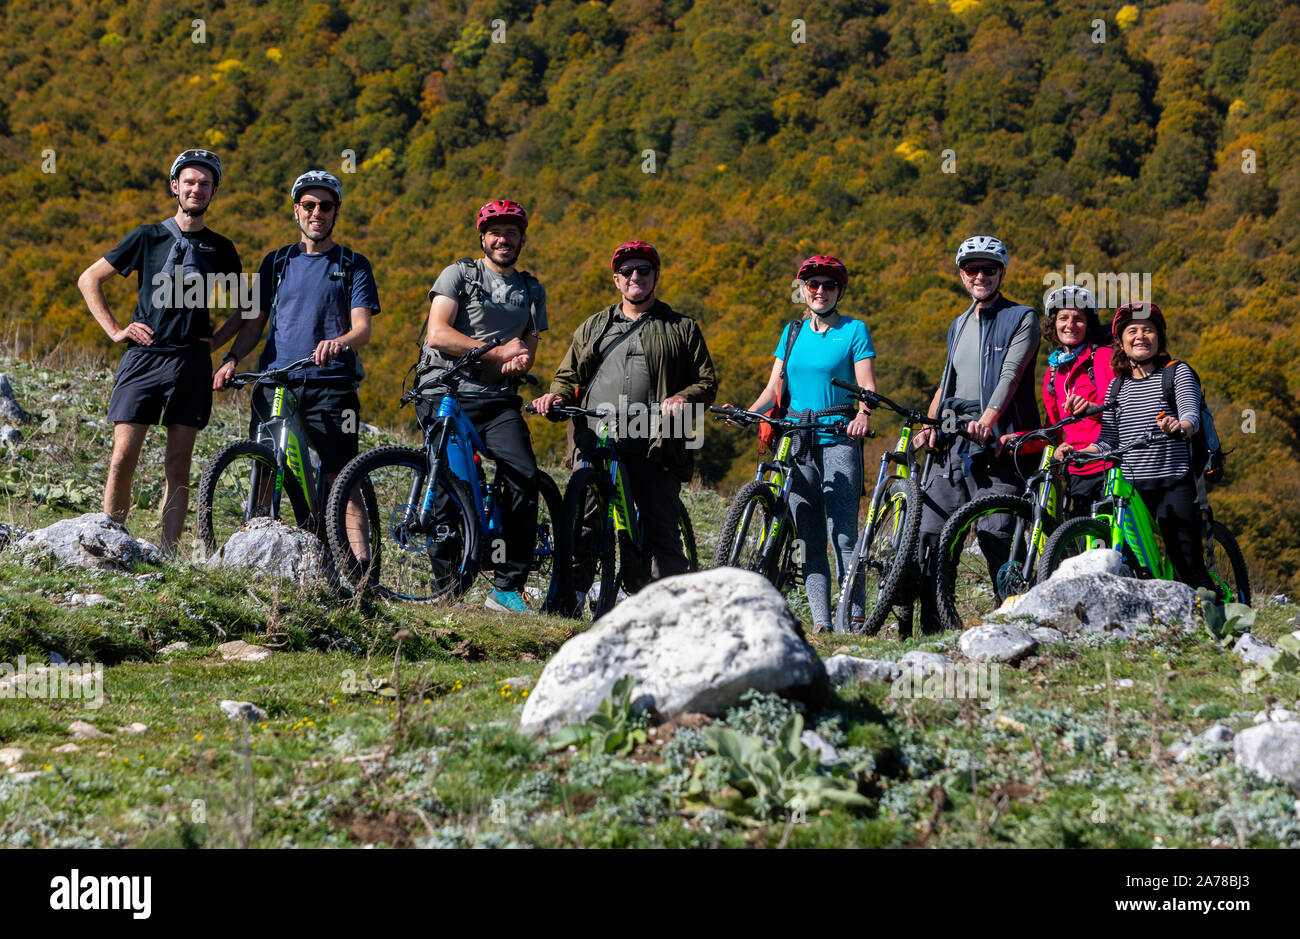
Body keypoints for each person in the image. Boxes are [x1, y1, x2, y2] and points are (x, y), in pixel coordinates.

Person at [532, 241, 718, 603]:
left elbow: (707, 383)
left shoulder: (682, 327)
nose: (636, 277)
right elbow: (568, 375)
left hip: (658, 440)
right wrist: (554, 396)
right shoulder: (594, 326)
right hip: (597, 434)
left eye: (644, 270)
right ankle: (569, 598)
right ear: (617, 280)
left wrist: (684, 398)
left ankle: (670, 612)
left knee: (661, 530)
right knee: (584, 520)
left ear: (655, 277)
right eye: (628, 272)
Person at [77, 149, 241, 554]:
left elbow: (248, 309)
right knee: (121, 459)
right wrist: (115, 330)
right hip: (143, 360)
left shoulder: (221, 248)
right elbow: (89, 279)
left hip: (191, 364)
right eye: (189, 182)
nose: (196, 189)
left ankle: (168, 554)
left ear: (213, 191)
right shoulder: (147, 236)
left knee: (178, 465)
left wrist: (217, 343)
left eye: (204, 184)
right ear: (175, 186)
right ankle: (110, 543)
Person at [210, 170, 380, 547]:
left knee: (342, 478)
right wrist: (232, 357)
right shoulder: (277, 261)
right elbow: (254, 323)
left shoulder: (353, 264)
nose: (316, 212)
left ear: (336, 213)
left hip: (333, 385)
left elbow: (362, 329)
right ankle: (256, 552)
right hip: (276, 382)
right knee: (267, 465)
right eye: (309, 205)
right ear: (296, 211)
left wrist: (339, 341)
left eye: (325, 206)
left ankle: (361, 570)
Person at [418, 200, 548, 613]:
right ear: (482, 237)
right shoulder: (460, 274)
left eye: (512, 232)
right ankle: (446, 591)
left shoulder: (530, 289)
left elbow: (528, 343)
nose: (503, 239)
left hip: (498, 400)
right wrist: (495, 352)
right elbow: (438, 334)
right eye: (495, 231)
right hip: (445, 392)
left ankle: (506, 589)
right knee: (449, 488)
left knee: (524, 476)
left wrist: (522, 359)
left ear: (522, 239)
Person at [910, 235, 1041, 632]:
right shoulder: (958, 323)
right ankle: (934, 629)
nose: (980, 275)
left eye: (989, 269)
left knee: (996, 533)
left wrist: (988, 418)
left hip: (999, 445)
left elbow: (1010, 375)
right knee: (931, 535)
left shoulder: (1022, 317)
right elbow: (945, 383)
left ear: (1001, 272)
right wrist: (930, 428)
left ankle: (1014, 625)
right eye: (972, 269)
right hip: (952, 443)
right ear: (962, 276)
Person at [739, 255, 874, 633]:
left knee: (844, 534)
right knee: (810, 536)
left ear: (839, 291)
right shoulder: (792, 332)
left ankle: (855, 619)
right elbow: (773, 388)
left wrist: (863, 414)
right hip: (797, 440)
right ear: (803, 290)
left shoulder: (854, 330)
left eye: (828, 285)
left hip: (837, 438)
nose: (819, 291)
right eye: (812, 284)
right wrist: (750, 413)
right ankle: (822, 624)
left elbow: (867, 387)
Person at [1057, 302, 1215, 591]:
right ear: (1121, 341)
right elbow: (1108, 441)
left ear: (1159, 338)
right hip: (1132, 490)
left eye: (1148, 330)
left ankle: (1220, 617)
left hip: (1174, 481)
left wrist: (1180, 426)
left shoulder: (1175, 373)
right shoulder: (1117, 386)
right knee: (1132, 564)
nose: (1141, 336)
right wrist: (1076, 453)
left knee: (1187, 566)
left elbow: (1191, 414)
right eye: (1132, 331)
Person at [1034, 285, 1115, 516]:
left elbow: (1121, 406)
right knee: (1084, 545)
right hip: (1077, 469)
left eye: (1078, 318)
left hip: (1108, 464)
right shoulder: (1054, 371)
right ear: (1054, 324)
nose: (1070, 324)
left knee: (1112, 543)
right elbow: (1053, 427)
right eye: (1063, 318)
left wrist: (1093, 408)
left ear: (1088, 325)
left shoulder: (1101, 357)